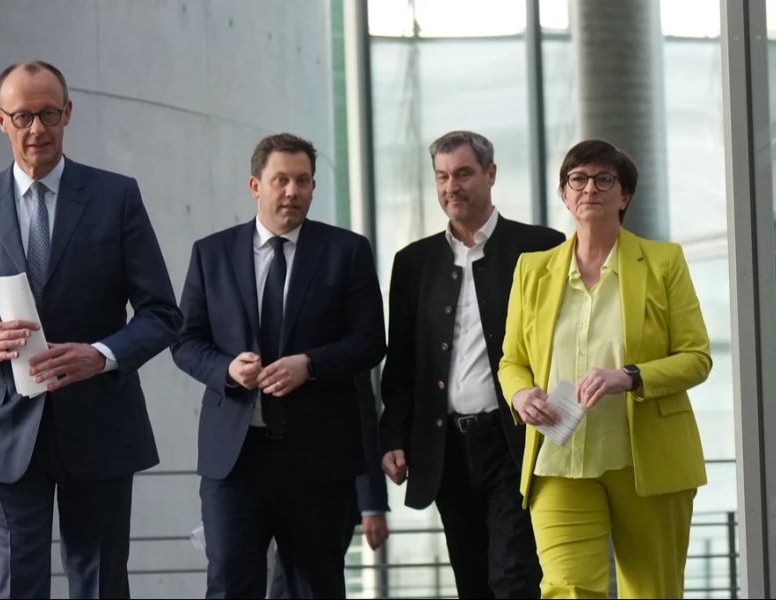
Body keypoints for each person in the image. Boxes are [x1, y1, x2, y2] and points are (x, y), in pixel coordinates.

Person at [0, 60, 181, 599]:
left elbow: (162, 312)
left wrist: (102, 354)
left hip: (101, 424)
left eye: (48, 114)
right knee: (17, 587)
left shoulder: (117, 198)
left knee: (101, 585)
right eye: (23, 116)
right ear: (0, 119)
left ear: (68, 113)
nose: (37, 129)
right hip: (7, 433)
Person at [171, 133, 386, 599]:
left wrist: (309, 365)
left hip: (319, 458)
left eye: (303, 181)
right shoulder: (212, 254)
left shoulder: (347, 252)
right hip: (236, 459)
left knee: (315, 589)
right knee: (230, 584)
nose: (292, 191)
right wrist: (228, 370)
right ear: (255, 185)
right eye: (281, 180)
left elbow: (370, 342)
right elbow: (186, 342)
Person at [498, 139, 712, 598]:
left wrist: (629, 376)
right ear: (565, 194)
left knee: (653, 590)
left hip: (645, 458)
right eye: (578, 178)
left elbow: (697, 357)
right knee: (567, 589)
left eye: (604, 179)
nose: (589, 188)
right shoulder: (531, 270)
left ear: (625, 196)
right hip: (559, 457)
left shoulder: (663, 262)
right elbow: (511, 360)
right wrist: (520, 395)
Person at [379, 130, 563, 598]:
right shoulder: (413, 262)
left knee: (514, 574)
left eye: (463, 173)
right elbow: (400, 364)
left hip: (514, 442)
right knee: (471, 577)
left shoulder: (541, 247)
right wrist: (394, 438)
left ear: (491, 174)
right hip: (444, 449)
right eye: (442, 177)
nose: (450, 187)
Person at [267, 371, 390, 599]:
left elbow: (361, 412)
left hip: (327, 486)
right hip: (274, 479)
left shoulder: (340, 340)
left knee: (304, 583)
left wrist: (371, 503)